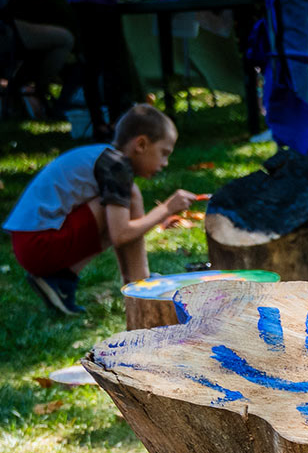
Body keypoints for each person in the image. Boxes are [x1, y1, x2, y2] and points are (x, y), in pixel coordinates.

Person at [4, 104, 197, 316]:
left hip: (30, 244)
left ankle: (65, 281)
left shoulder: (106, 158)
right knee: (131, 197)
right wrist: (167, 209)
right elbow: (121, 234)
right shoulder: (117, 165)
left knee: (122, 203)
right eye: (164, 153)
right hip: (37, 245)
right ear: (141, 144)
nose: (165, 163)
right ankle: (140, 284)